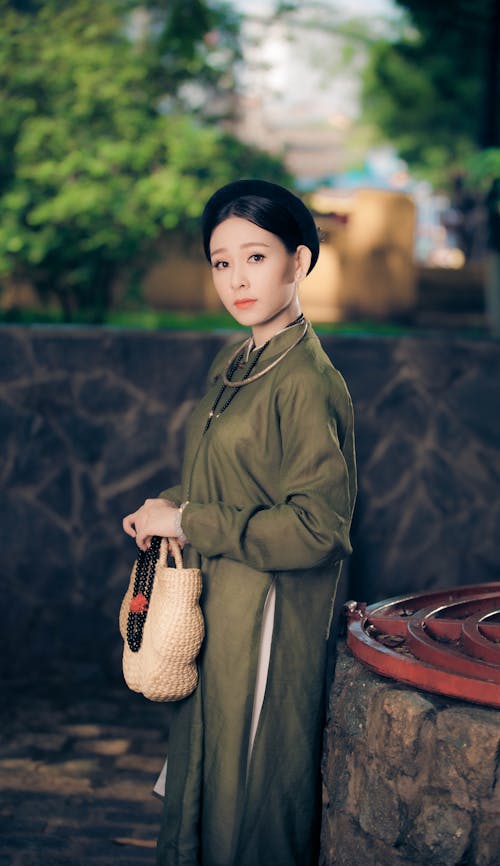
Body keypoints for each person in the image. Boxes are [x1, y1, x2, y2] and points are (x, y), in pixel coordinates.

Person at [122, 179, 357, 866]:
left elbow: (319, 530)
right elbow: (225, 479)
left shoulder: (309, 383)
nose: (236, 278)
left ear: (300, 262)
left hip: (266, 620)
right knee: (207, 766)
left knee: (247, 795)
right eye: (221, 262)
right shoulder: (237, 361)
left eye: (256, 257)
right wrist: (163, 507)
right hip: (217, 602)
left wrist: (190, 519)